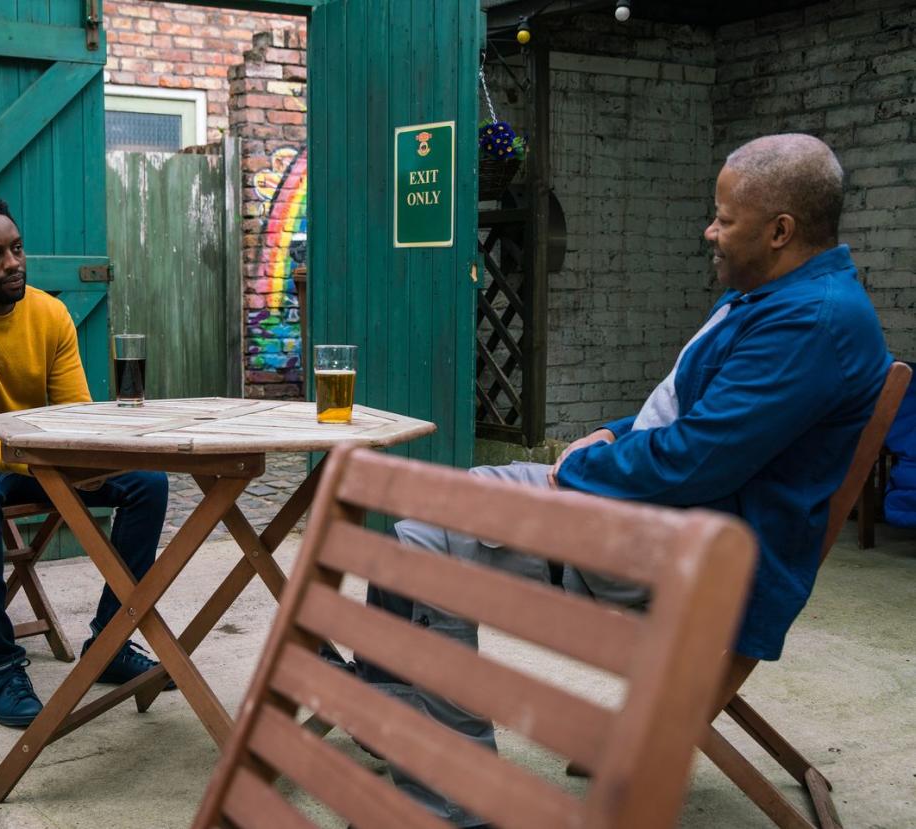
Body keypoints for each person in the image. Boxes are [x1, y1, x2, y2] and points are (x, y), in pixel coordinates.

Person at [354, 134, 892, 828]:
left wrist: (578, 467)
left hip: (692, 549)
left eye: (724, 217)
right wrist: (613, 431)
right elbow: (697, 418)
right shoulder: (783, 295)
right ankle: (390, 715)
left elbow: (695, 459)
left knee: (423, 543)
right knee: (426, 509)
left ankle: (455, 805)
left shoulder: (810, 322)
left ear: (781, 230)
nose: (711, 229)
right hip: (667, 512)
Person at [0, 191, 171, 728]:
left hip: (29, 460)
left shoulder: (50, 314)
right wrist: (29, 460)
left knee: (147, 481)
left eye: (17, 248)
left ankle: (112, 641)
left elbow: (71, 415)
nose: (13, 263)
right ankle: (1, 664)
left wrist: (76, 455)